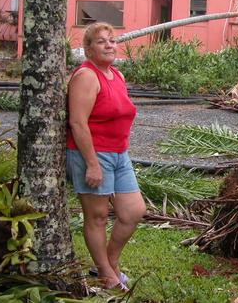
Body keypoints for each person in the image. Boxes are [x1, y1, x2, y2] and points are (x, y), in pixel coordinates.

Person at [66, 22, 145, 291]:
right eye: (101, 41)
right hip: (93, 154)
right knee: (97, 216)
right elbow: (78, 123)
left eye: (112, 40)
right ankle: (107, 274)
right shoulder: (86, 76)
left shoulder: (117, 75)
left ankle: (108, 262)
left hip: (119, 154)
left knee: (134, 211)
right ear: (88, 49)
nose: (109, 45)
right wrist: (91, 163)